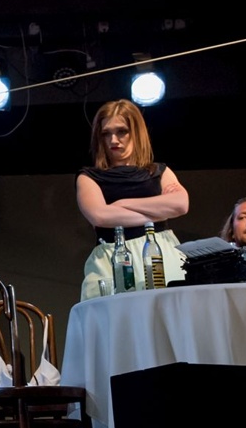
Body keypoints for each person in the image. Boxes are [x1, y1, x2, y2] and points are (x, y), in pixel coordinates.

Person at [76, 99, 189, 300]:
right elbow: (100, 216)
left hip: (161, 254)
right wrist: (157, 213)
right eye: (106, 133)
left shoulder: (158, 171)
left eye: (122, 131)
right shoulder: (89, 177)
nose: (113, 140)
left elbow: (180, 204)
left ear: (136, 132)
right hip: (112, 257)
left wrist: (122, 204)